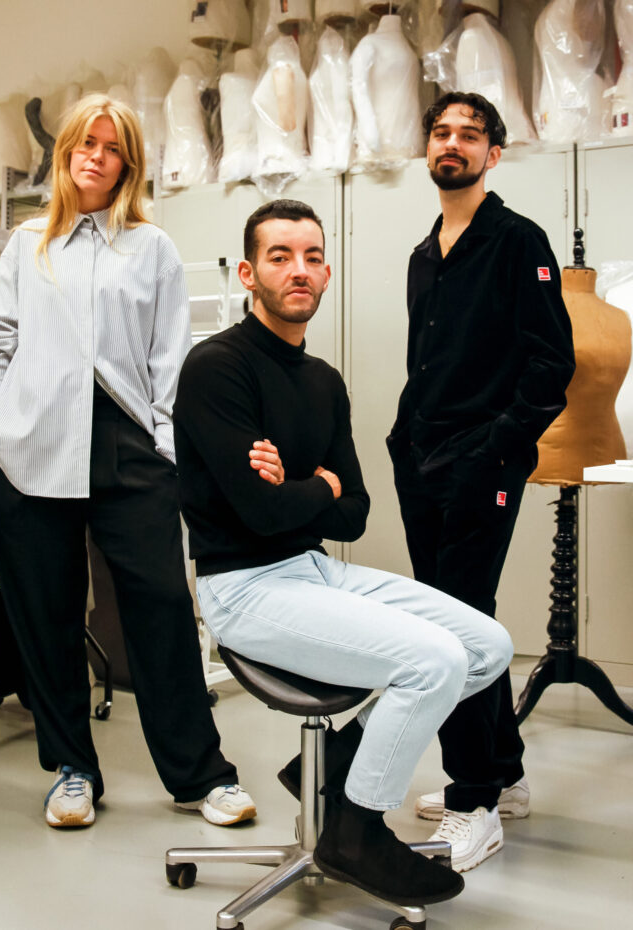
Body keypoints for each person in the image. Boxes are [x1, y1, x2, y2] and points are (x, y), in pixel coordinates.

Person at [173, 198, 515, 906]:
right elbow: (258, 514)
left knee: (486, 644)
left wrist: (305, 488)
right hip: (243, 588)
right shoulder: (216, 369)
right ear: (247, 272)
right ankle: (355, 830)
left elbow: (354, 514)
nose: (298, 270)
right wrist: (319, 485)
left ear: (327, 273)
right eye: (279, 256)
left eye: (311, 256)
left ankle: (328, 766)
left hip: (315, 570)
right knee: (434, 661)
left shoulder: (323, 381)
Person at [0, 94, 255, 830]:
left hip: (129, 443)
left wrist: (166, 445)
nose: (93, 156)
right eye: (82, 143)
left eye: (109, 146)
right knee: (48, 614)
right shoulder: (27, 243)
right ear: (66, 151)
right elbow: (0, 340)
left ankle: (201, 775)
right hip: (31, 444)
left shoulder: (150, 247)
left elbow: (170, 354)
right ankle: (72, 770)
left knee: (160, 608)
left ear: (127, 162)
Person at [386, 91, 575, 871]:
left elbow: (551, 366)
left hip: (479, 464)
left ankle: (472, 800)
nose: (452, 144)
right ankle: (507, 774)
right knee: (460, 621)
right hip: (421, 460)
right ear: (427, 150)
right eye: (441, 132)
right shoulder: (425, 250)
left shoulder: (516, 240)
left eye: (470, 134)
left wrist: (493, 451)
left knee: (453, 632)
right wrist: (406, 438)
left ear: (494, 154)